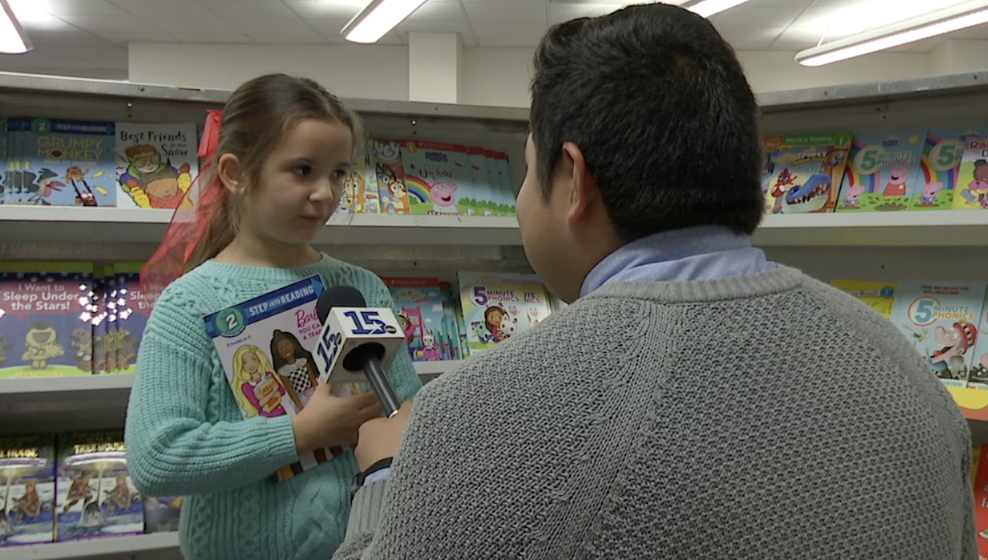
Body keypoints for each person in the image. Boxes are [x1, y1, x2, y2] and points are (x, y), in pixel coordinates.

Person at [332, 5, 976, 560]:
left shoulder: (482, 415)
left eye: (528, 171)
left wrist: (385, 475)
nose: (524, 199)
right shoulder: (909, 372)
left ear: (575, 179)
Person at [125, 74, 422, 560]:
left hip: (367, 546)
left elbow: (410, 418)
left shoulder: (363, 289)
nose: (325, 193)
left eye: (339, 173)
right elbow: (157, 458)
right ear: (235, 173)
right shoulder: (190, 304)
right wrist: (301, 433)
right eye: (303, 170)